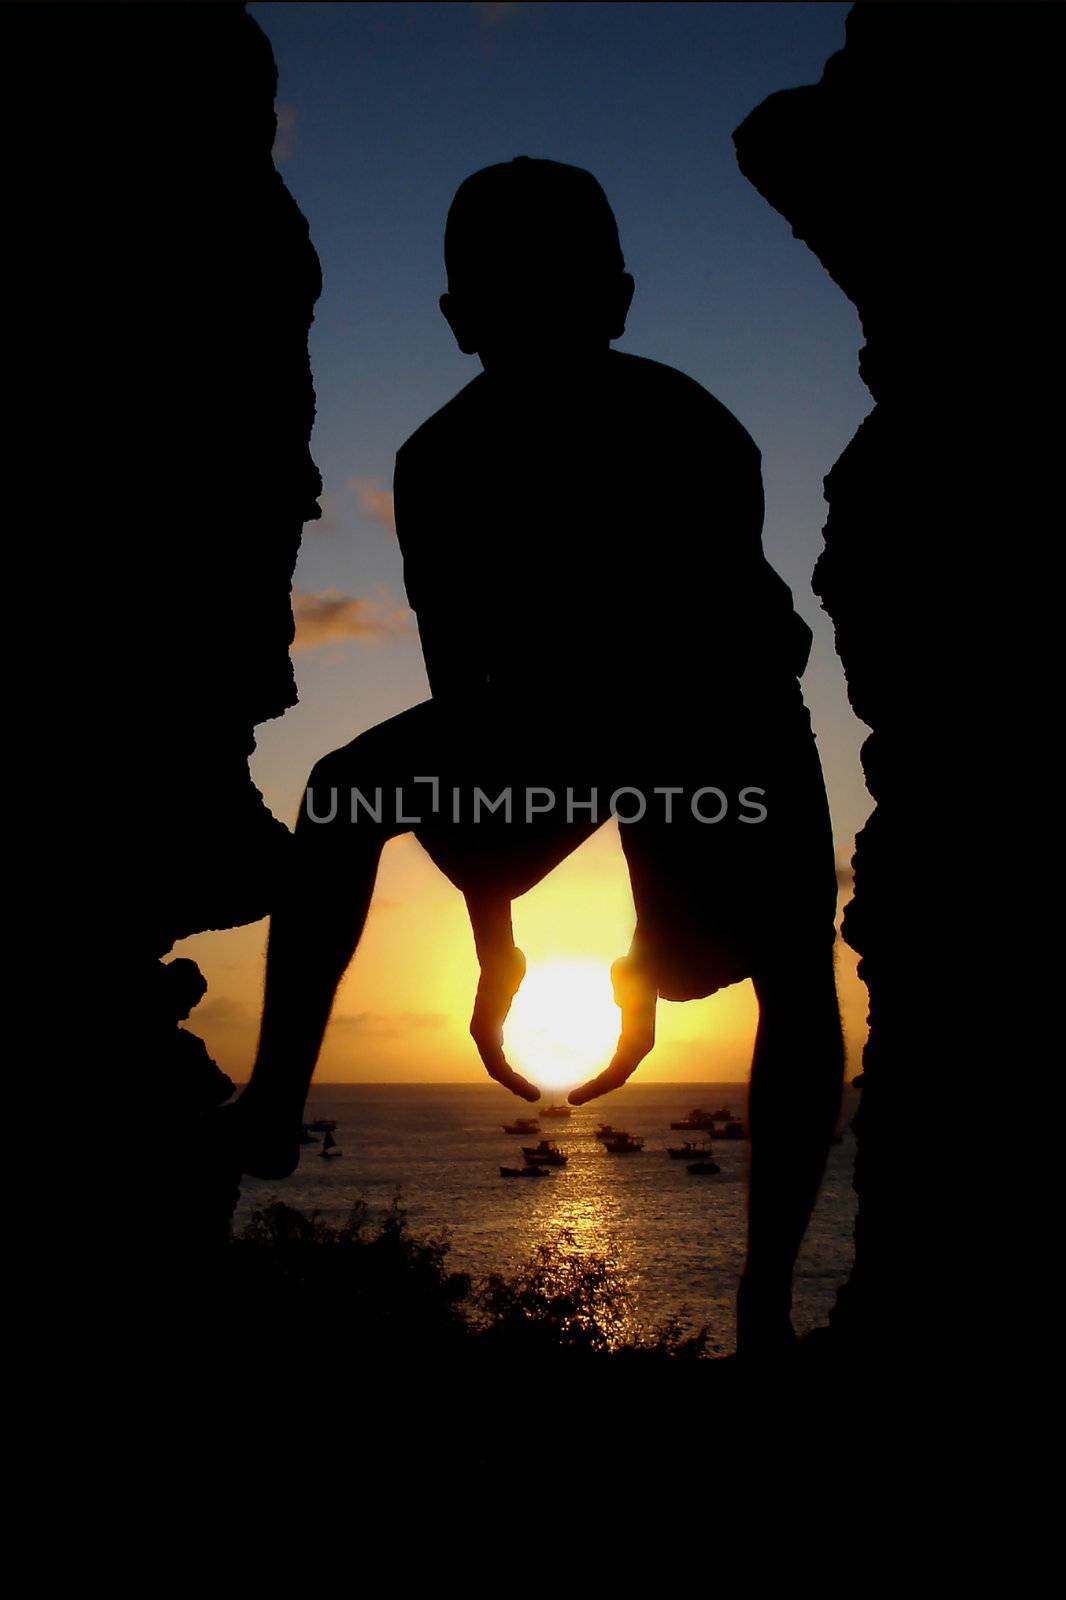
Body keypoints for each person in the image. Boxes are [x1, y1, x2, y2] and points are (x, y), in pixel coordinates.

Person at [227, 156, 844, 1354]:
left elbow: (682, 695)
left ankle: (763, 1302)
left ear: (610, 305)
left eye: (553, 302)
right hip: (572, 722)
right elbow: (475, 709)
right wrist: (495, 939)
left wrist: (642, 944)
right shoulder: (439, 464)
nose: (541, 334)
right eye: (515, 309)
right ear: (466, 325)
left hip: (723, 711)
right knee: (348, 788)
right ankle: (273, 1106)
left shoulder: (686, 434)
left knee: (764, 973)